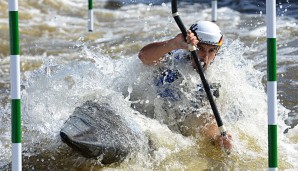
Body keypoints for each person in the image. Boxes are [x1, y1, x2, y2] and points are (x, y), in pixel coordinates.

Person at [138, 21, 233, 151]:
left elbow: (209, 120)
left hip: (175, 131)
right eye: (200, 49)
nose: (205, 57)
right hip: (148, 116)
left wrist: (218, 138)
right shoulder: (173, 56)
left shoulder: (216, 80)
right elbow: (143, 56)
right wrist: (173, 43)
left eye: (211, 51)